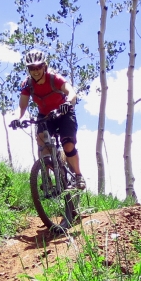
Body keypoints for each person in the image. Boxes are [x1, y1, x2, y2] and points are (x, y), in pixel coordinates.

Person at [9, 49, 86, 190]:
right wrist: (16, 118)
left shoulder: (54, 78)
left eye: (38, 67)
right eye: (32, 68)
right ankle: (47, 178)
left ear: (44, 66)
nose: (35, 71)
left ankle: (78, 176)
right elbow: (22, 106)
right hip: (45, 116)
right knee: (41, 140)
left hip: (64, 113)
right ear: (28, 69)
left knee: (68, 145)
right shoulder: (27, 85)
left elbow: (71, 93)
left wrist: (68, 103)